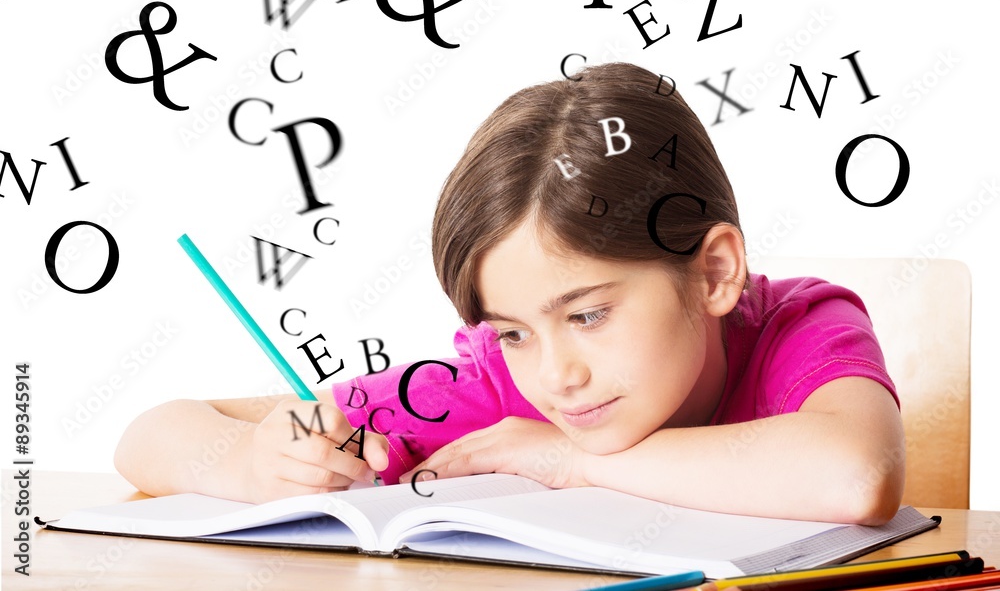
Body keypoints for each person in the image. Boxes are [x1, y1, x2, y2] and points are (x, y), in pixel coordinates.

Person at [115, 62, 904, 524]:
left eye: (589, 314)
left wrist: (567, 460)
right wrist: (255, 465)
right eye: (515, 329)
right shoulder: (498, 384)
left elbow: (853, 476)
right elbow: (150, 436)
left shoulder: (800, 328)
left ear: (714, 272)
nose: (555, 375)